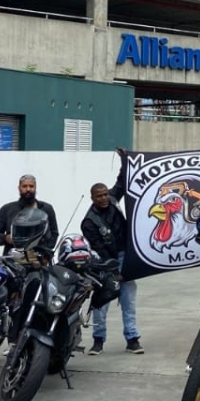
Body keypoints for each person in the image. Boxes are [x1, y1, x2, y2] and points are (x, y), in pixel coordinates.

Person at [81, 148, 144, 356]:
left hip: (125, 256)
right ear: (92, 198)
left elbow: (121, 182)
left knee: (128, 301)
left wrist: (126, 159)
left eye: (106, 194)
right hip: (105, 264)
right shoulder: (89, 222)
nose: (104, 198)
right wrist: (114, 272)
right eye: (99, 196)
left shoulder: (114, 201)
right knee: (101, 303)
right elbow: (99, 249)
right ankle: (98, 340)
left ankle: (132, 339)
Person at [0, 174, 59, 255]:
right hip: (13, 260)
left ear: (35, 188)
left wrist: (44, 250)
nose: (28, 189)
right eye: (24, 186)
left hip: (39, 260)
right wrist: (6, 238)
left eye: (31, 186)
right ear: (19, 188)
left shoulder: (47, 209)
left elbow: (54, 233)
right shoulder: (7, 209)